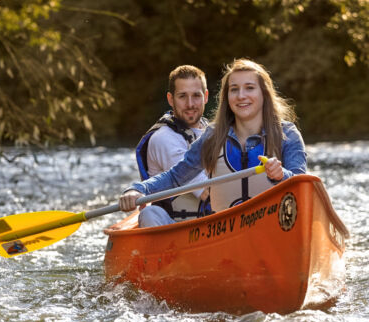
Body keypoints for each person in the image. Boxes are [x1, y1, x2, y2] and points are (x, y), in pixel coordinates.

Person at [120, 58, 307, 225]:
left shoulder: (288, 134)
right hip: (224, 235)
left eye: (249, 88)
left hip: (272, 227)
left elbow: (302, 188)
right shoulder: (212, 136)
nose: (241, 96)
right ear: (227, 97)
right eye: (234, 90)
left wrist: (282, 175)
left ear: (264, 94)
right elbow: (175, 177)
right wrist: (137, 188)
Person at [135, 65, 210, 227]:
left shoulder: (208, 129)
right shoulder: (164, 139)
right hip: (178, 227)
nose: (190, 104)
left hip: (207, 222)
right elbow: (207, 193)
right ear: (171, 99)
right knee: (149, 213)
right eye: (182, 96)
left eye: (196, 96)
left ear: (205, 97)